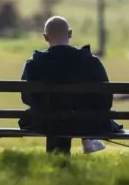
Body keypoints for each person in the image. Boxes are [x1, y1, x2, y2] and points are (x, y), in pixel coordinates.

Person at [19, 16, 123, 155]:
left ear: (45, 37)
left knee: (53, 119)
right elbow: (105, 100)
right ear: (70, 34)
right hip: (84, 123)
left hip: (45, 122)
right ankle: (88, 139)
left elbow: (27, 98)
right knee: (75, 118)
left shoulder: (34, 64)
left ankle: (57, 163)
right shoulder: (90, 61)